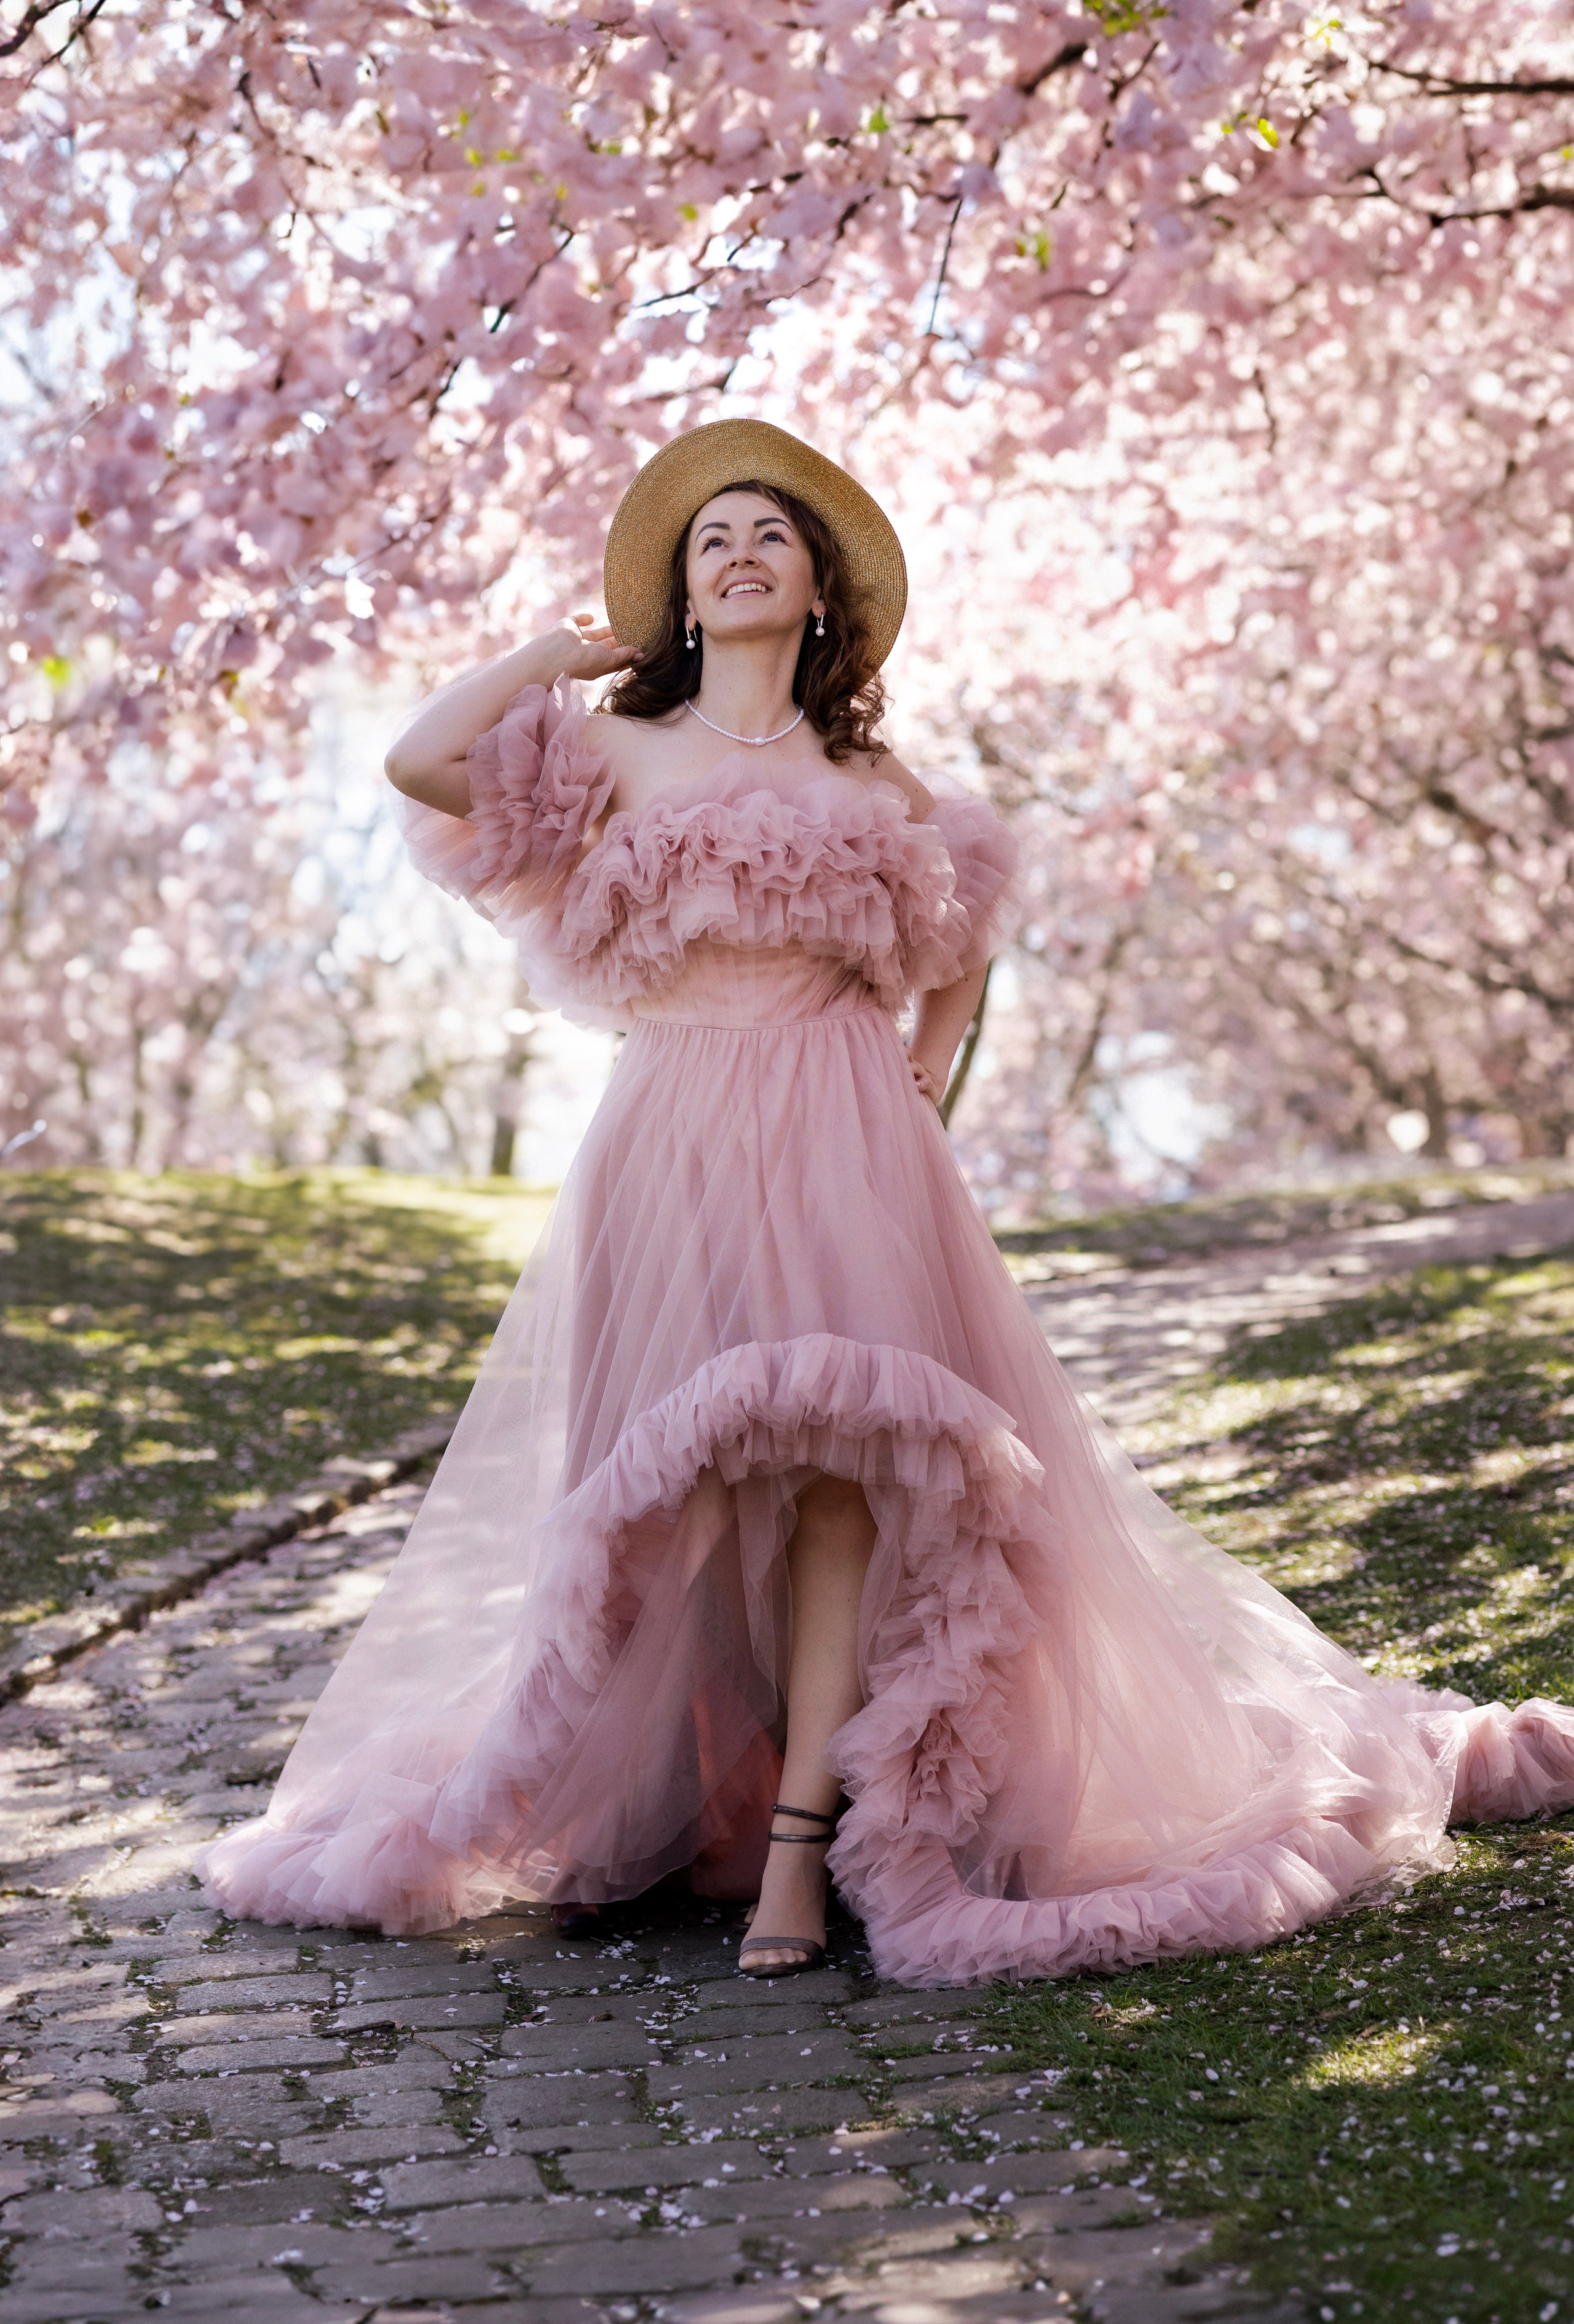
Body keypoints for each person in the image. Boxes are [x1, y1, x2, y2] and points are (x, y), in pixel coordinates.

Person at [200, 420, 1574, 1985]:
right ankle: (667, 1790)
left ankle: (806, 1846)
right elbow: (419, 760)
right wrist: (552, 651)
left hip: (846, 1126)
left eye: (767, 538)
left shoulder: (865, 771)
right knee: (684, 1477)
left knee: (851, 1468)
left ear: (816, 593)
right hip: (672, 1129)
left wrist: (918, 1065)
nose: (737, 555)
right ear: (684, 599)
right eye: (708, 542)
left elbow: (963, 922)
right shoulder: (613, 752)